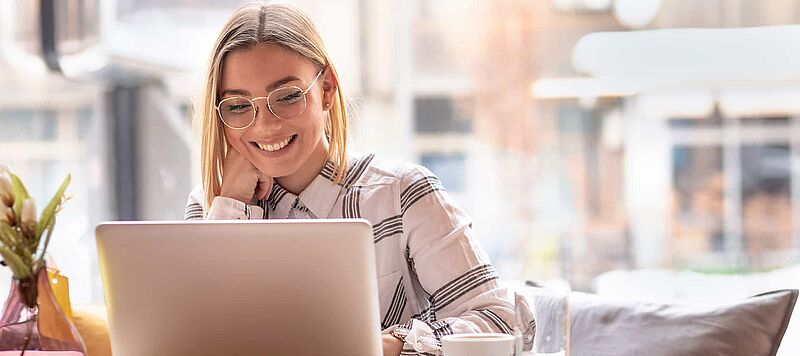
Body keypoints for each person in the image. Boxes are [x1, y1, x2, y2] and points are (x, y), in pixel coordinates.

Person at [184, 2, 515, 355]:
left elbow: (500, 319)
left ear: (326, 89)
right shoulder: (211, 205)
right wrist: (230, 204)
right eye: (238, 105)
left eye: (288, 97)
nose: (265, 125)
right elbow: (191, 338)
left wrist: (384, 345)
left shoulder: (401, 194)